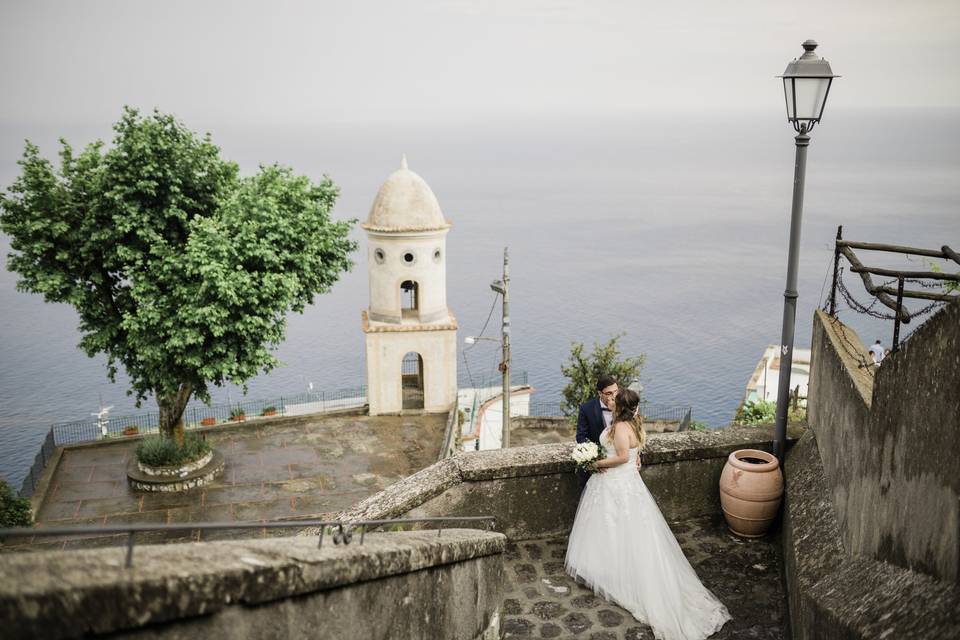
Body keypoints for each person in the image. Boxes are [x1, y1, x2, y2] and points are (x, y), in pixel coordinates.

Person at [565, 388, 731, 640]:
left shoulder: (620, 427)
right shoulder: (633, 424)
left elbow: (621, 457)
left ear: (619, 407)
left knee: (616, 527)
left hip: (617, 483)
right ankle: (606, 566)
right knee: (620, 529)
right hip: (625, 483)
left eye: (614, 400)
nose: (610, 401)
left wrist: (595, 463)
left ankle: (614, 572)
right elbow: (632, 454)